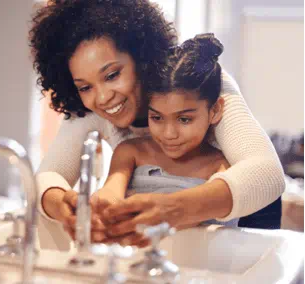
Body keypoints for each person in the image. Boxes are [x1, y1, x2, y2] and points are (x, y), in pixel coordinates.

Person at [29, 0, 284, 250]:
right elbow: (47, 177)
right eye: (84, 87)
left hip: (249, 217)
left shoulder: (197, 83)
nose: (103, 97)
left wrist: (173, 208)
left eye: (112, 75)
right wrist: (62, 206)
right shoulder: (92, 107)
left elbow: (268, 174)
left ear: (141, 57)